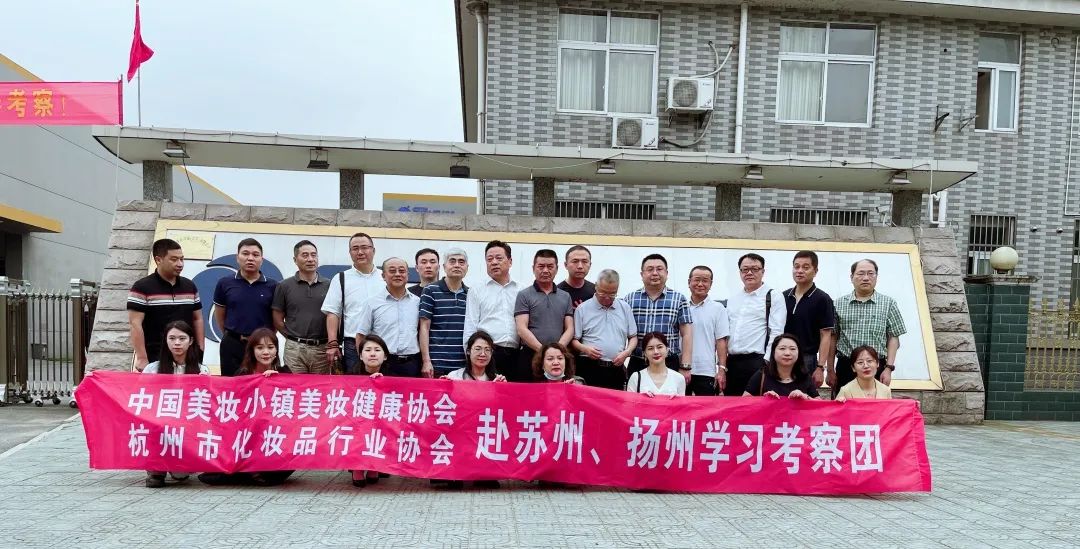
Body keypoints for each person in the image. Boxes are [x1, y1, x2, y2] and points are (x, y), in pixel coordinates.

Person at [198, 328, 294, 487]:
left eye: (270, 347)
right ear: (252, 351)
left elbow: (293, 407)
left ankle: (246, 475)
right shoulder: (243, 374)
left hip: (273, 436)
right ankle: (251, 474)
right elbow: (229, 402)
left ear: (276, 350)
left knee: (289, 460)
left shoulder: (284, 373)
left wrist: (279, 382)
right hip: (247, 435)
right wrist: (206, 383)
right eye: (260, 348)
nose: (266, 352)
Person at [142, 320, 207, 488]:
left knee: (180, 474)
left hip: (187, 426)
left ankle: (180, 462)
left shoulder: (201, 370)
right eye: (172, 338)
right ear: (165, 340)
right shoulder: (152, 370)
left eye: (182, 338)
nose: (177, 343)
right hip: (159, 423)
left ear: (191, 341)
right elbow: (139, 398)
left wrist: (205, 384)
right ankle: (156, 471)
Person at [830, 258, 907, 397]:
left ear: (876, 277)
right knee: (842, 406)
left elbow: (894, 337)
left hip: (876, 367)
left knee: (875, 407)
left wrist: (888, 368)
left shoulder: (888, 303)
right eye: (861, 273)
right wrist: (830, 369)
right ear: (851, 277)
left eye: (871, 273)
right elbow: (832, 338)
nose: (866, 278)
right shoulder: (838, 304)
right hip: (846, 367)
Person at [441, 331, 506, 490]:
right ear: (468, 351)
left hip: (485, 430)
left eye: (487, 350)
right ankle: (454, 471)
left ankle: (485, 472)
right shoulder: (454, 376)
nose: (483, 354)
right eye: (478, 349)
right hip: (461, 429)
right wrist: (442, 388)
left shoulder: (496, 379)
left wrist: (503, 390)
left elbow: (505, 411)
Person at [128, 238, 204, 372]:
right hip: (155, 356)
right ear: (158, 260)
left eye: (182, 259)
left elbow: (198, 319)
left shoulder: (190, 286)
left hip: (187, 357)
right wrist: (141, 357)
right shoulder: (141, 287)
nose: (180, 264)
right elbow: (135, 324)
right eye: (174, 259)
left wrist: (200, 349)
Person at [321, 232, 384, 374]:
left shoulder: (385, 277)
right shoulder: (341, 278)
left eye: (364, 247)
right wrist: (332, 344)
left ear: (373, 250)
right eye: (355, 248)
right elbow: (333, 313)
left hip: (383, 342)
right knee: (354, 385)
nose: (360, 252)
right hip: (352, 345)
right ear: (350, 253)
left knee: (382, 384)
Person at [213, 238, 277, 377]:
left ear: (262, 259)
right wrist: (232, 335)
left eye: (255, 255)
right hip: (232, 344)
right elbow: (220, 316)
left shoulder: (273, 286)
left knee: (262, 383)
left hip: (261, 347)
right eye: (245, 254)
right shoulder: (224, 283)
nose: (250, 258)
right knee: (231, 384)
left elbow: (276, 319)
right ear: (237, 257)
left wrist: (264, 340)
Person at [724, 253, 786, 396]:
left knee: (756, 405)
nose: (749, 273)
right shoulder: (733, 299)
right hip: (732, 362)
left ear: (763, 271)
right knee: (732, 404)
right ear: (740, 272)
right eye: (745, 269)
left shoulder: (773, 296)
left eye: (755, 269)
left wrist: (767, 362)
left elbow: (777, 331)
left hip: (758, 361)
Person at [624, 254, 693, 380]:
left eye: (659, 269)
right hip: (638, 361)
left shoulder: (679, 299)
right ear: (642, 274)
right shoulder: (630, 299)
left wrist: (685, 366)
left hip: (668, 362)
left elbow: (687, 334)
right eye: (650, 269)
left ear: (666, 273)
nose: (655, 273)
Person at [272, 240, 331, 374]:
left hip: (323, 349)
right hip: (294, 350)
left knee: (320, 386)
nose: (310, 259)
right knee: (294, 385)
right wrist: (293, 338)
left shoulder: (330, 285)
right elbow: (277, 319)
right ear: (295, 259)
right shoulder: (284, 286)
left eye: (313, 255)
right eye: (305, 255)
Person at [513, 249, 573, 382]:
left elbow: (570, 328)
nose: (545, 270)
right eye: (541, 266)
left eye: (550, 266)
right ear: (533, 268)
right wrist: (544, 351)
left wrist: (556, 351)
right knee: (528, 393)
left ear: (557, 269)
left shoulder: (565, 296)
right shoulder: (524, 295)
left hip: (557, 358)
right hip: (530, 355)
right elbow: (521, 328)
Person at [572, 269, 637, 390]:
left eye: (612, 294)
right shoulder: (583, 309)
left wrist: (627, 352)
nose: (607, 298)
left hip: (616, 367)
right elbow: (574, 340)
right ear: (596, 286)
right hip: (589, 366)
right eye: (603, 293)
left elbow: (633, 337)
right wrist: (585, 349)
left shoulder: (625, 308)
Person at [463, 240, 521, 377]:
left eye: (499, 258)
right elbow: (470, 325)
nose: (494, 262)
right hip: (487, 354)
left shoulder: (521, 290)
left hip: (517, 354)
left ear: (510, 261)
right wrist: (470, 358)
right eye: (489, 259)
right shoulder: (477, 290)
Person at [356, 258, 422, 377]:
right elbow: (361, 335)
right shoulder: (372, 303)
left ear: (407, 275)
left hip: (412, 363)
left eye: (402, 271)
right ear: (383, 275)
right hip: (383, 363)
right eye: (392, 271)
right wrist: (363, 363)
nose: (397, 274)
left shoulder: (417, 302)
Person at [782, 251, 834, 387]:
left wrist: (820, 367)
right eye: (796, 267)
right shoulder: (783, 296)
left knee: (802, 397)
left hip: (807, 359)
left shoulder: (823, 299)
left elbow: (826, 335)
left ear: (815, 271)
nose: (799, 271)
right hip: (782, 356)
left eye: (805, 267)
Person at [419, 248, 470, 378]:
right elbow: (424, 327)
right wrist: (426, 361)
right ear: (444, 266)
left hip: (464, 365)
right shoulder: (430, 291)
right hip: (436, 364)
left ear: (467, 267)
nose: (457, 265)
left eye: (461, 262)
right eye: (452, 261)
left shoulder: (471, 294)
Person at [351, 335, 392, 487]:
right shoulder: (351, 376)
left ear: (385, 356)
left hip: (381, 420)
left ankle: (374, 465)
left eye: (377, 350)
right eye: (368, 350)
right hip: (357, 419)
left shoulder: (393, 377)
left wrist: (381, 384)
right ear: (361, 356)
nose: (373, 354)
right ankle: (358, 467)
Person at [686, 266, 730, 396]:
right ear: (689, 282)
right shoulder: (681, 306)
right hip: (682, 369)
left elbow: (721, 341)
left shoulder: (718, 308)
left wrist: (721, 369)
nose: (700, 284)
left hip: (706, 371)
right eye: (696, 280)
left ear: (711, 284)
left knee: (706, 407)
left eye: (705, 280)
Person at [743, 334, 819, 399]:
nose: (787, 353)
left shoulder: (804, 377)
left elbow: (821, 405)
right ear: (773, 352)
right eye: (782, 348)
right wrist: (764, 399)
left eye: (792, 349)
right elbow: (744, 402)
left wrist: (806, 397)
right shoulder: (762, 375)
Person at [626, 332, 686, 397]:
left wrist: (677, 400)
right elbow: (629, 402)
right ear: (644, 353)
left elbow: (682, 403)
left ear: (667, 350)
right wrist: (641, 398)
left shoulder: (679, 378)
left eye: (659, 347)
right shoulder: (636, 378)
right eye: (650, 348)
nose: (656, 352)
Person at [557, 245, 595, 310]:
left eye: (584, 261)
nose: (580, 266)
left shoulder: (596, 292)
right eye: (575, 261)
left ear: (590, 265)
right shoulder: (557, 293)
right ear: (566, 265)